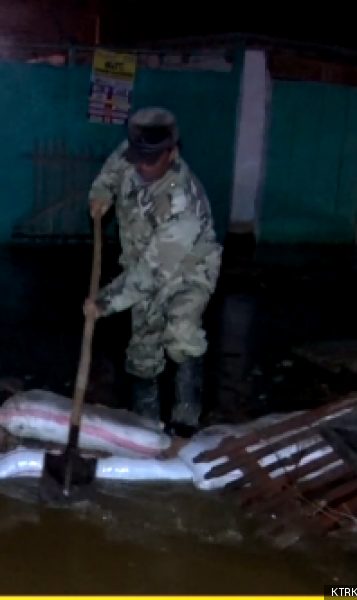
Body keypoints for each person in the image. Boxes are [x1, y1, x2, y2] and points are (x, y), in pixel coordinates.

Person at [83, 106, 222, 448]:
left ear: (172, 153)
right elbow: (115, 167)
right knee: (143, 350)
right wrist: (101, 193)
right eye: (138, 157)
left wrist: (104, 302)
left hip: (188, 267)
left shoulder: (183, 204)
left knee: (180, 333)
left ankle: (185, 427)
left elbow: (152, 272)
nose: (142, 167)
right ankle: (145, 429)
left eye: (152, 160)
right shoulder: (135, 152)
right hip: (142, 260)